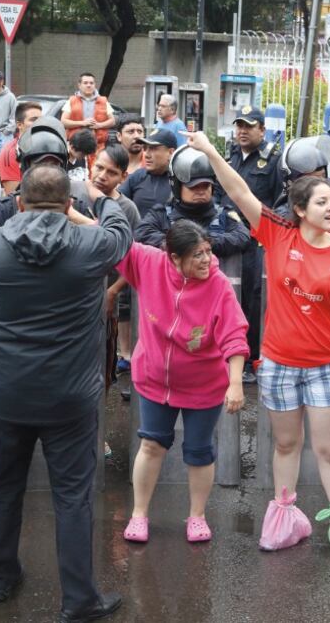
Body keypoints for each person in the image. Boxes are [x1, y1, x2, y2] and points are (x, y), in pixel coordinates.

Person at [188, 131, 330, 563]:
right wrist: (210, 150)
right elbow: (239, 191)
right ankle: (285, 517)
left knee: (329, 449)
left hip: (328, 365)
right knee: (286, 445)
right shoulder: (278, 236)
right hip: (278, 364)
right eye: (322, 202)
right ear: (300, 210)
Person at [0, 164, 128, 620]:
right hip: (71, 395)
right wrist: (104, 198)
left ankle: (1, 580)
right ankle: (79, 599)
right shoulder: (91, 244)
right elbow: (121, 233)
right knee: (72, 496)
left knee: (1, 487)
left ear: (19, 203)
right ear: (69, 205)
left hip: (8, 391)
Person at [119, 220, 249, 543]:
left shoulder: (218, 285)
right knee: (151, 444)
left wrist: (235, 382)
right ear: (174, 257)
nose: (206, 260)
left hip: (203, 385)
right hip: (154, 379)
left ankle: (197, 516)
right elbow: (111, 241)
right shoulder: (149, 262)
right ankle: (139, 515)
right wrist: (70, 213)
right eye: (197, 255)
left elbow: (234, 335)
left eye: (208, 251)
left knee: (199, 450)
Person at [224, 106, 285, 384]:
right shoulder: (232, 157)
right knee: (229, 296)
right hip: (229, 238)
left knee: (254, 297)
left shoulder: (273, 161)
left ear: (262, 130)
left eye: (249, 126)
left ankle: (252, 357)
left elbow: (279, 202)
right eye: (239, 126)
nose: (242, 131)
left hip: (256, 241)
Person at [136, 147, 251, 258]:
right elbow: (141, 233)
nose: (200, 191)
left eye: (205, 185)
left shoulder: (225, 215)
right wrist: (179, 243)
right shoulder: (161, 214)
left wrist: (204, 243)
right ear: (177, 187)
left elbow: (243, 236)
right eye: (194, 186)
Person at [92, 146, 140, 379]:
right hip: (75, 295)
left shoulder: (127, 209)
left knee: (104, 361)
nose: (102, 176)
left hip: (108, 296)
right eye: (99, 167)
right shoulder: (75, 195)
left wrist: (113, 291)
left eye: (111, 172)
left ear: (123, 177)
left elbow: (135, 256)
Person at [118, 129, 176, 217]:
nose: (147, 155)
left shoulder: (181, 181)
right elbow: (115, 202)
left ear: (170, 152)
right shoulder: (137, 176)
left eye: (153, 148)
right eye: (145, 148)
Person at [0, 101, 43, 196]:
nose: (39, 123)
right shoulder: (10, 153)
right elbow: (14, 195)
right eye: (33, 120)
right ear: (19, 125)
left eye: (41, 120)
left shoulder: (47, 145)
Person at [60, 72, 115, 150]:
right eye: (85, 83)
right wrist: (82, 123)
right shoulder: (71, 100)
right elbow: (63, 122)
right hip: (76, 146)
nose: (89, 85)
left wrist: (99, 125)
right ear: (79, 85)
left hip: (98, 147)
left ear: (94, 85)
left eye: (91, 83)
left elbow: (112, 121)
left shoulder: (103, 101)